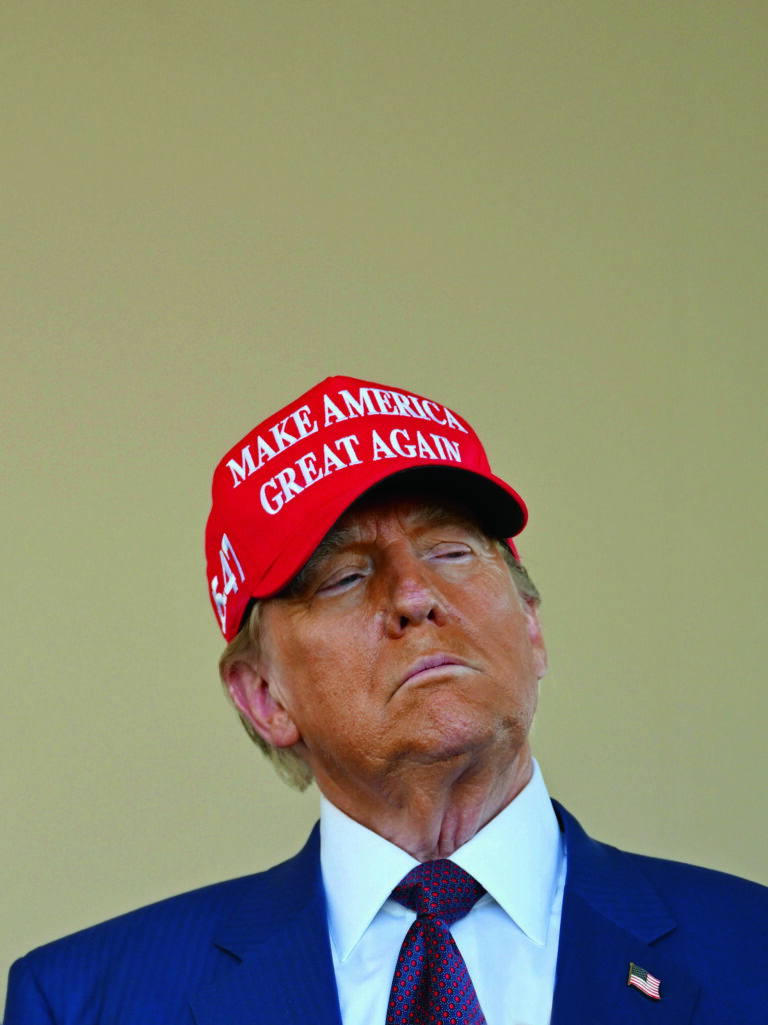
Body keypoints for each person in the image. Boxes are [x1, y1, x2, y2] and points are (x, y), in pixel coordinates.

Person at [5, 374, 768, 1025]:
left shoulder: (752, 952)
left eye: (451, 551)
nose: (414, 594)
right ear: (264, 694)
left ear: (532, 627)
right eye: (344, 576)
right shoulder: (86, 1000)